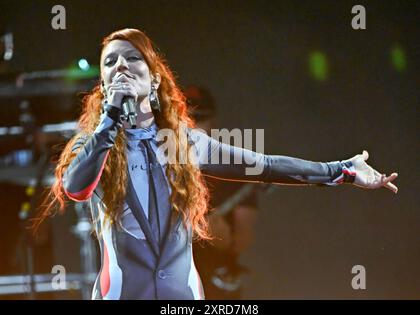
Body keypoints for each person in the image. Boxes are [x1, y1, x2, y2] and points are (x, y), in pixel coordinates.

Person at [38, 28, 398, 300]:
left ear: (155, 79)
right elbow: (75, 188)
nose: (121, 66)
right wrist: (109, 122)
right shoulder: (95, 143)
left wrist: (342, 170)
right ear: (103, 82)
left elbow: (266, 165)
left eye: (133, 58)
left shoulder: (183, 143)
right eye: (110, 61)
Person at [185, 85, 259, 299]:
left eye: (201, 118)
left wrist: (222, 241)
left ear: (213, 122)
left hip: (214, 280)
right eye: (187, 118)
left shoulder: (234, 170)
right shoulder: (155, 168)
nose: (194, 125)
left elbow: (244, 233)